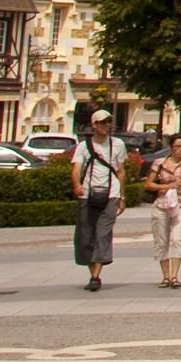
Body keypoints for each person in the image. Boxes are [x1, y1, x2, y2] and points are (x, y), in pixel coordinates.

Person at [73, 111, 129, 291]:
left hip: (111, 194)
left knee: (102, 234)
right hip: (87, 195)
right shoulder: (83, 146)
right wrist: (77, 185)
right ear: (94, 125)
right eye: (103, 122)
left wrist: (122, 196)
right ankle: (92, 273)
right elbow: (76, 168)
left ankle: (96, 277)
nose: (107, 125)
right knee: (86, 236)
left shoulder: (118, 144)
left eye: (109, 122)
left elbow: (121, 171)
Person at [149, 136, 181, 289]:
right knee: (162, 241)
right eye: (177, 146)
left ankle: (175, 276)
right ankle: (165, 276)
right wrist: (166, 186)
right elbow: (148, 184)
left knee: (176, 239)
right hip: (162, 204)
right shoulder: (159, 163)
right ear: (171, 147)